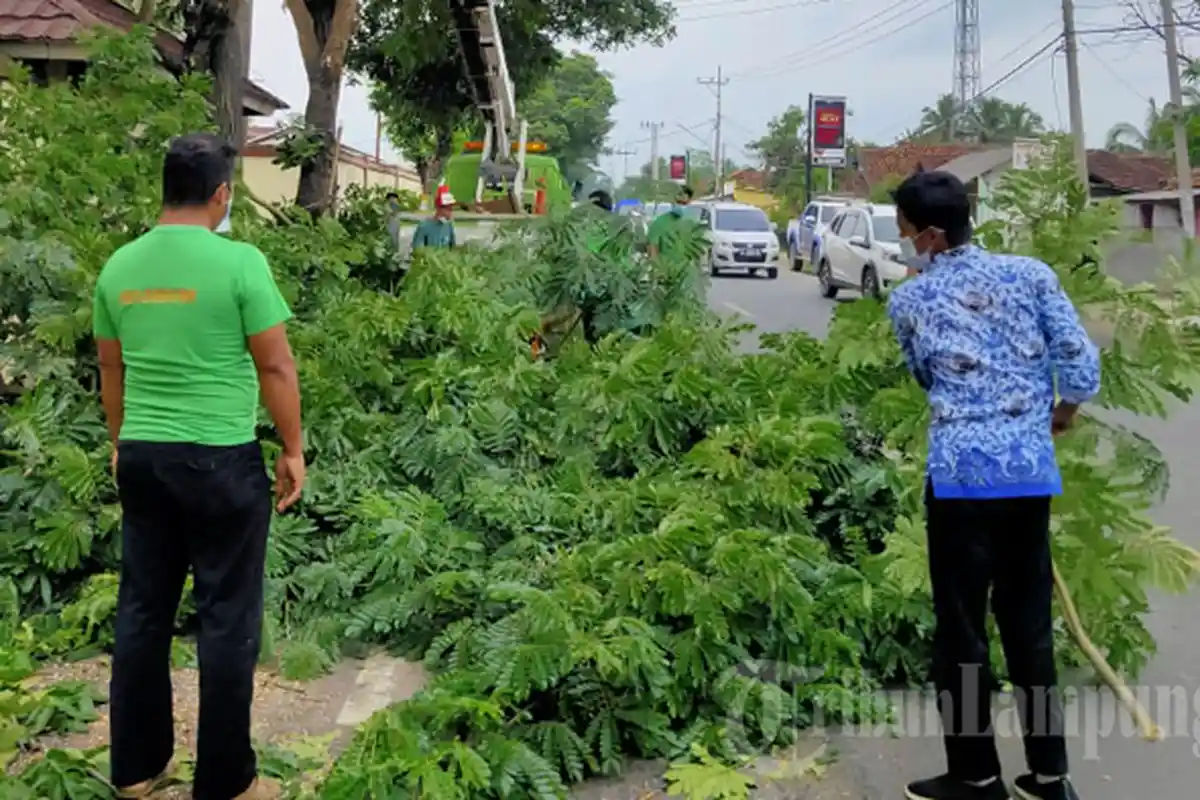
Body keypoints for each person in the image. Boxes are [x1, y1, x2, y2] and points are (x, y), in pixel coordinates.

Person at [93, 133, 304, 800]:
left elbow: (110, 369)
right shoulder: (240, 264)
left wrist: (121, 441)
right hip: (219, 461)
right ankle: (225, 781)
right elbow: (275, 364)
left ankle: (135, 769)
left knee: (144, 612)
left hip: (146, 459)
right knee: (226, 618)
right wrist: (293, 449)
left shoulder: (119, 267)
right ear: (221, 194)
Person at [885, 170, 1099, 800]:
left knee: (962, 632)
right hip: (1028, 478)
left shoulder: (911, 300)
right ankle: (1050, 777)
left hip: (959, 484)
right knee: (1029, 625)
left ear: (929, 234)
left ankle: (976, 776)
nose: (903, 244)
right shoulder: (1032, 275)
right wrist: (1059, 414)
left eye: (903, 233)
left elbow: (927, 375)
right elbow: (1079, 362)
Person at [646, 185, 693, 258]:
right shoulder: (659, 223)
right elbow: (653, 253)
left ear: (690, 202)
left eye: (684, 203)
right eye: (678, 202)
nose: (681, 205)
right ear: (672, 202)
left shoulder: (693, 224)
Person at [411, 185, 457, 250]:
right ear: (437, 208)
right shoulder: (424, 226)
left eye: (451, 209)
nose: (449, 214)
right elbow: (417, 250)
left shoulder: (449, 225)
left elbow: (453, 248)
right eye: (447, 209)